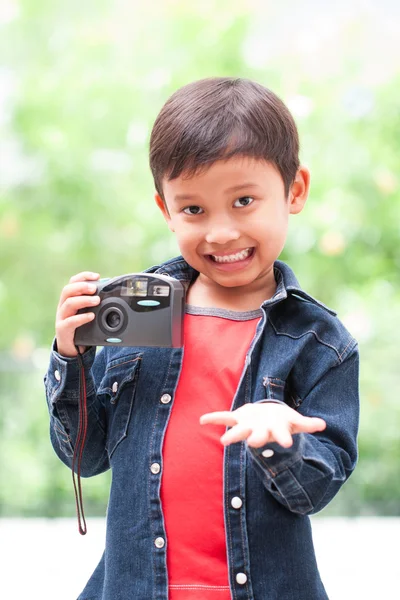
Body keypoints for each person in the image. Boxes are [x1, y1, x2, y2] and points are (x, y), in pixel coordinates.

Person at [44, 77, 359, 600]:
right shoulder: (135, 309)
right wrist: (70, 356)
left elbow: (316, 489)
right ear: (165, 209)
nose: (220, 232)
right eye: (193, 209)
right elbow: (86, 455)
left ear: (294, 191)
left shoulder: (317, 340)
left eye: (243, 200)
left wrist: (282, 441)